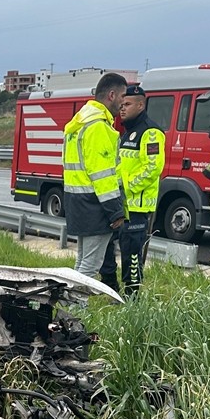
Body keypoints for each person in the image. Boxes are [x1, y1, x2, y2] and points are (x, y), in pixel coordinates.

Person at [100, 84, 165, 295]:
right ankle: (110, 286)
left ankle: (132, 296)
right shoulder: (126, 133)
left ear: (141, 104)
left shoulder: (151, 132)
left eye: (128, 104)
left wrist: (125, 190)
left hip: (136, 206)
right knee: (105, 245)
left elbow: (152, 169)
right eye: (122, 103)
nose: (122, 108)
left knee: (132, 256)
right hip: (120, 205)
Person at [63, 73, 128, 281]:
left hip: (79, 203)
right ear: (111, 95)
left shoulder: (81, 121)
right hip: (96, 206)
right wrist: (116, 212)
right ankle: (76, 310)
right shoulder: (98, 126)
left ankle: (70, 307)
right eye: (122, 97)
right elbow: (103, 176)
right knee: (89, 268)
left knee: (82, 262)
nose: (123, 103)